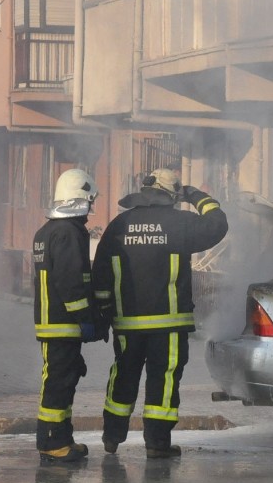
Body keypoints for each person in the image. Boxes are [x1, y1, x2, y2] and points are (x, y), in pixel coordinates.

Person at [92, 168, 228, 459]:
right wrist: (197, 196)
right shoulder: (180, 224)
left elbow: (100, 273)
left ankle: (112, 437)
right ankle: (157, 443)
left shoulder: (119, 225)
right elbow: (217, 224)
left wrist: (103, 314)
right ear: (172, 195)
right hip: (169, 325)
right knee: (163, 381)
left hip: (127, 324)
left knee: (123, 375)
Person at [33, 168, 105, 464]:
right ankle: (51, 442)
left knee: (65, 379)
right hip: (62, 324)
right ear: (80, 199)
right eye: (89, 202)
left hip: (55, 323)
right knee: (58, 383)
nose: (90, 210)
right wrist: (85, 318)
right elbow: (70, 281)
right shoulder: (67, 232)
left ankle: (62, 438)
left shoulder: (47, 230)